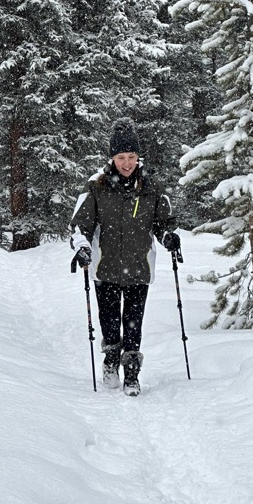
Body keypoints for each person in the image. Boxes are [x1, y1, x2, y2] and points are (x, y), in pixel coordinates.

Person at [70, 118, 180, 396]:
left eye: (132, 157)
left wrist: (168, 236)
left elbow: (163, 222)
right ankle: (110, 360)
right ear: (112, 158)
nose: (127, 163)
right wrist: (81, 245)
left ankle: (131, 372)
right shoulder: (97, 186)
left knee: (133, 321)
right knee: (109, 321)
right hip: (105, 267)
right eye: (121, 157)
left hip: (138, 267)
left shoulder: (150, 186)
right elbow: (80, 224)